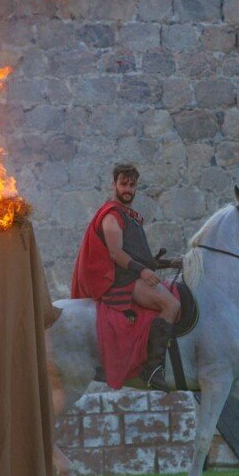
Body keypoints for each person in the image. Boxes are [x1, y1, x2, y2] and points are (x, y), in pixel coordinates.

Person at [73, 163, 180, 392]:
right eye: (123, 184)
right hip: (122, 280)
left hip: (133, 274)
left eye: (132, 185)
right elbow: (116, 253)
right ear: (114, 185)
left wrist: (170, 263)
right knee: (171, 305)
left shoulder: (130, 216)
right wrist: (142, 272)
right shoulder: (112, 216)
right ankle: (153, 368)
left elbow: (140, 256)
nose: (128, 189)